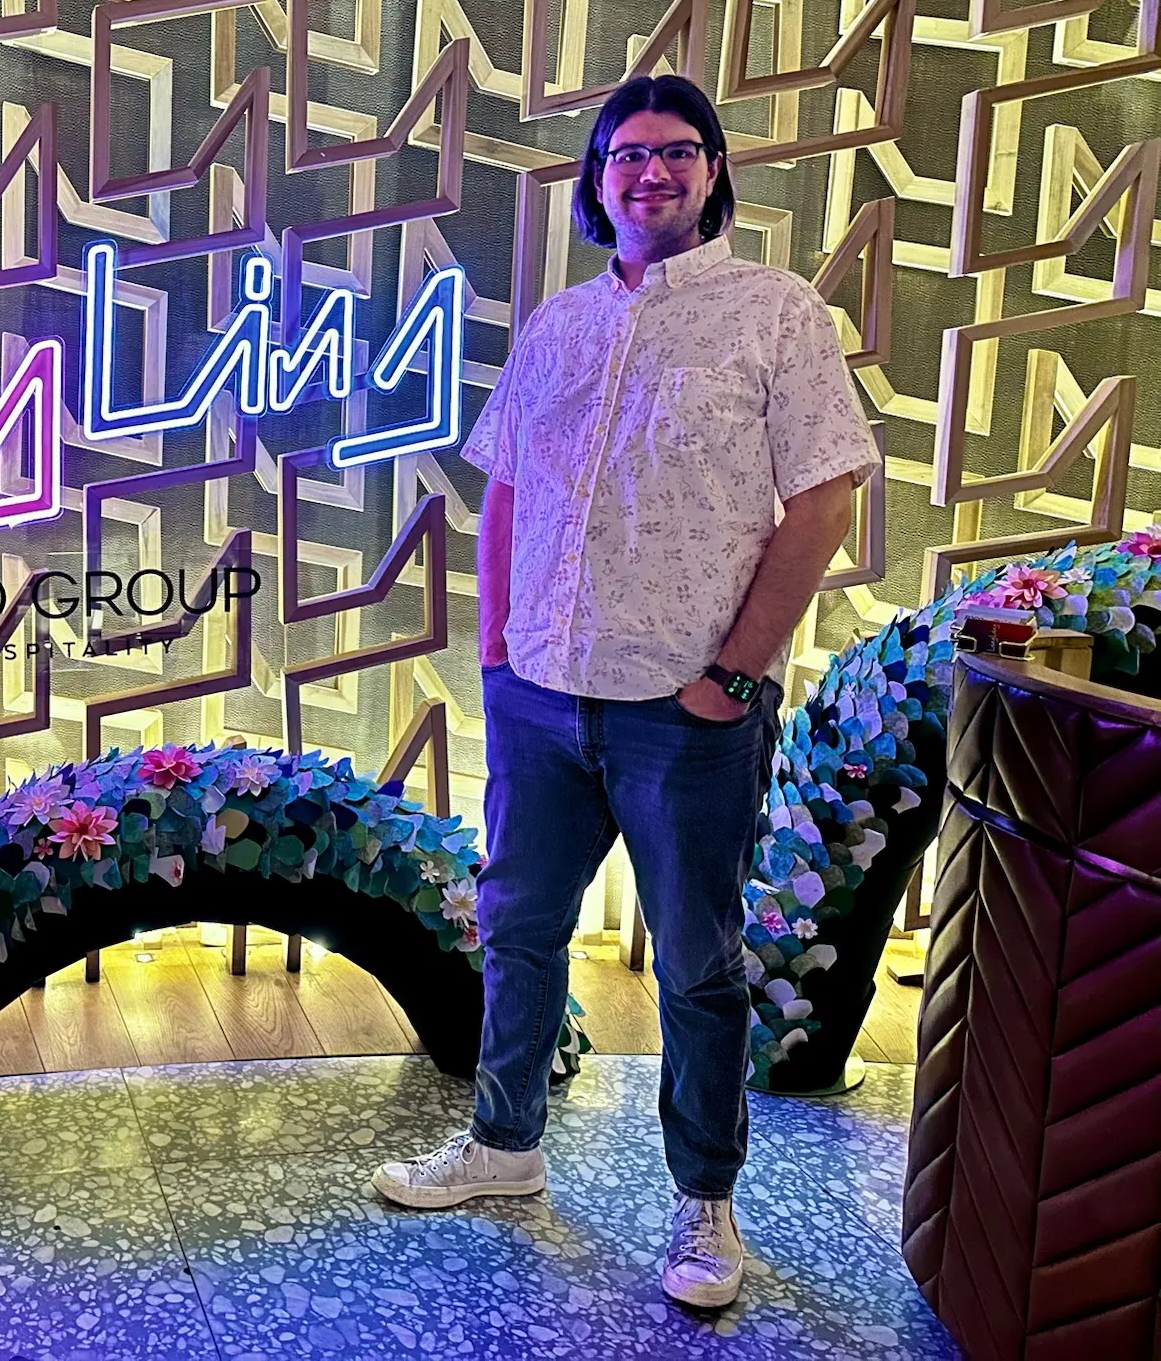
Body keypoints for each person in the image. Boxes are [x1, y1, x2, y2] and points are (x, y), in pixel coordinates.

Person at [370, 75, 881, 1310]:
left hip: (685, 708)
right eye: (625, 155)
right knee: (517, 924)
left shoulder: (777, 316)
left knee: (699, 965)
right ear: (597, 182)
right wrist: (494, 652)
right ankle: (502, 1146)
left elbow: (821, 498)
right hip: (539, 695)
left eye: (675, 152)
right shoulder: (556, 326)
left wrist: (733, 673)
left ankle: (703, 1209)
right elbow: (499, 487)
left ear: (711, 173)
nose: (649, 172)